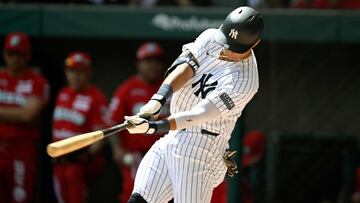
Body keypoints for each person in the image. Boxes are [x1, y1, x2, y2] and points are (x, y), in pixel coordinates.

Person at [123, 6, 263, 203]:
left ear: (255, 43)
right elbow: (187, 67)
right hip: (173, 137)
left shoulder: (245, 81)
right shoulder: (212, 37)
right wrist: (158, 99)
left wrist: (154, 127)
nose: (228, 49)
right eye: (227, 42)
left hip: (201, 147)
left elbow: (200, 114)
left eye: (235, 48)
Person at [108, 42, 169, 203]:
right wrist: (117, 149)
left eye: (157, 61)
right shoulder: (127, 89)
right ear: (138, 64)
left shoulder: (169, 88)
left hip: (166, 152)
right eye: (148, 61)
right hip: (137, 155)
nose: (153, 65)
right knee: (134, 191)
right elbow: (113, 120)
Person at [52, 51, 108, 203]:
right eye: (72, 71)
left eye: (81, 71)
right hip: (59, 161)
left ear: (89, 73)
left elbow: (100, 135)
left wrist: (87, 155)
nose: (76, 75)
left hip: (79, 163)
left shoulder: (96, 97)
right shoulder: (62, 93)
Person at [0, 32, 49, 203]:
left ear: (27, 55)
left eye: (19, 54)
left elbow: (28, 115)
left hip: (21, 151)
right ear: (4, 53)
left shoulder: (37, 80)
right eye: (10, 53)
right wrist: (15, 113)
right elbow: (21, 113)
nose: (14, 59)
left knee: (20, 198)